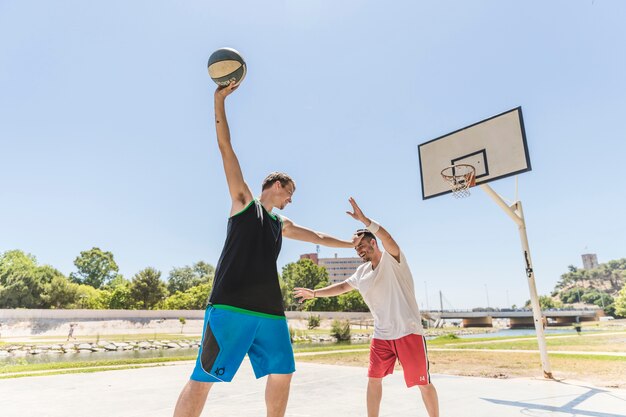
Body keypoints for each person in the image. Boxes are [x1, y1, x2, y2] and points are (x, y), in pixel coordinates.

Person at [172, 82, 356, 417]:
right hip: (230, 306)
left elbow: (316, 234)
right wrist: (219, 101)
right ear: (274, 185)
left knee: (283, 371)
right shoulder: (243, 202)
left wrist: (350, 244)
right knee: (204, 378)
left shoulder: (280, 223)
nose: (290, 199)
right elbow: (226, 147)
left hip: (269, 311)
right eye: (289, 192)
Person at [294, 197, 440, 417]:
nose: (359, 250)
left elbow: (388, 237)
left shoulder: (394, 260)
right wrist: (315, 293)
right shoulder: (361, 273)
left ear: (373, 243)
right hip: (382, 335)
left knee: (423, 383)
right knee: (373, 380)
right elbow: (342, 286)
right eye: (356, 248)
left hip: (408, 331)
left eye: (362, 245)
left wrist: (365, 220)